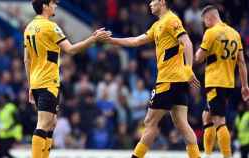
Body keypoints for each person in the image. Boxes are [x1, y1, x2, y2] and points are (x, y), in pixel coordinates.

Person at [105, 0, 201, 157]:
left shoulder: (172, 19)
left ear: (162, 2)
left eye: (153, 1)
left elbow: (187, 43)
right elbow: (136, 41)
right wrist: (111, 40)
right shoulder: (158, 25)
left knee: (150, 122)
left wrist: (189, 68)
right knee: (182, 124)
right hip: (178, 81)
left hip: (168, 80)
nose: (150, 4)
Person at [24, 0, 111, 158]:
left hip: (37, 82)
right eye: (53, 3)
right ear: (45, 6)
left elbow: (27, 60)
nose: (55, 6)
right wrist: (93, 39)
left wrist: (30, 86)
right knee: (43, 123)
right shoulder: (50, 26)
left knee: (52, 122)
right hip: (47, 82)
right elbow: (70, 50)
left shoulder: (28, 28)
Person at [195, 5, 249, 158]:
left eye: (204, 21)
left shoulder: (211, 33)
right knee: (207, 116)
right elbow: (242, 63)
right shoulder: (235, 34)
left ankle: (227, 155)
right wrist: (245, 86)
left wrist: (196, 52)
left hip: (215, 82)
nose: (204, 24)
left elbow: (199, 57)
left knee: (219, 120)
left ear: (209, 18)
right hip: (228, 83)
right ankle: (208, 154)